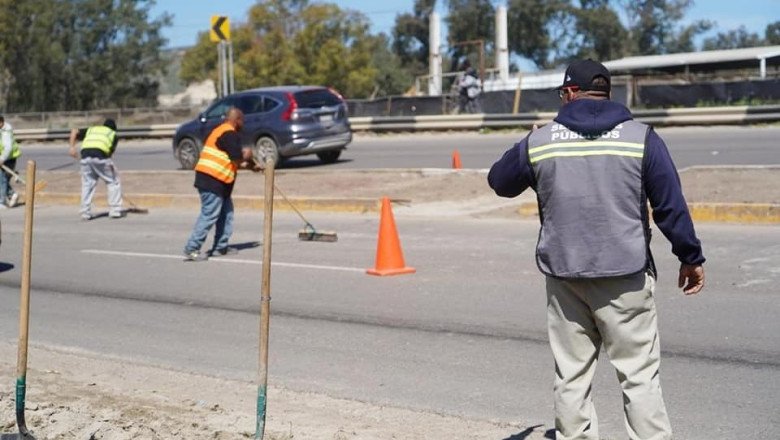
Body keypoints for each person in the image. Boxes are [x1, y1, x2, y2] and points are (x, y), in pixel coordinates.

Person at [488, 59, 705, 440]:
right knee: (639, 377)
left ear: (570, 93)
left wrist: (527, 139)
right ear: (607, 93)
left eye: (562, 93)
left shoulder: (540, 141)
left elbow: (500, 182)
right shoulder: (641, 137)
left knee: (571, 376)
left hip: (565, 280)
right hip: (626, 277)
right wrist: (690, 257)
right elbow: (670, 205)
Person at [183, 107, 256, 261]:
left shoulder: (222, 131)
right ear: (237, 120)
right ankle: (192, 248)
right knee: (209, 215)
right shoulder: (229, 133)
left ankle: (220, 247)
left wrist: (252, 166)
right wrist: (248, 155)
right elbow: (237, 158)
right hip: (212, 181)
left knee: (226, 214)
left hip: (218, 182)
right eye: (242, 120)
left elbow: (232, 160)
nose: (243, 123)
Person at [69, 118, 124, 220]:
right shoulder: (113, 134)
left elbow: (74, 131)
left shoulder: (92, 129)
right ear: (113, 129)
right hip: (101, 158)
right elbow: (109, 154)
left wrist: (72, 147)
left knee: (87, 185)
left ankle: (85, 212)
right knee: (113, 181)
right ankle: (115, 210)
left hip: (85, 157)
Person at [0, 115, 21, 209]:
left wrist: (2, 159)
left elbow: (8, 148)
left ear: (1, 122)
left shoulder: (6, 132)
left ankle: (2, 202)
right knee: (2, 179)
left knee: (2, 179)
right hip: (4, 158)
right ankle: (12, 194)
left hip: (9, 158)